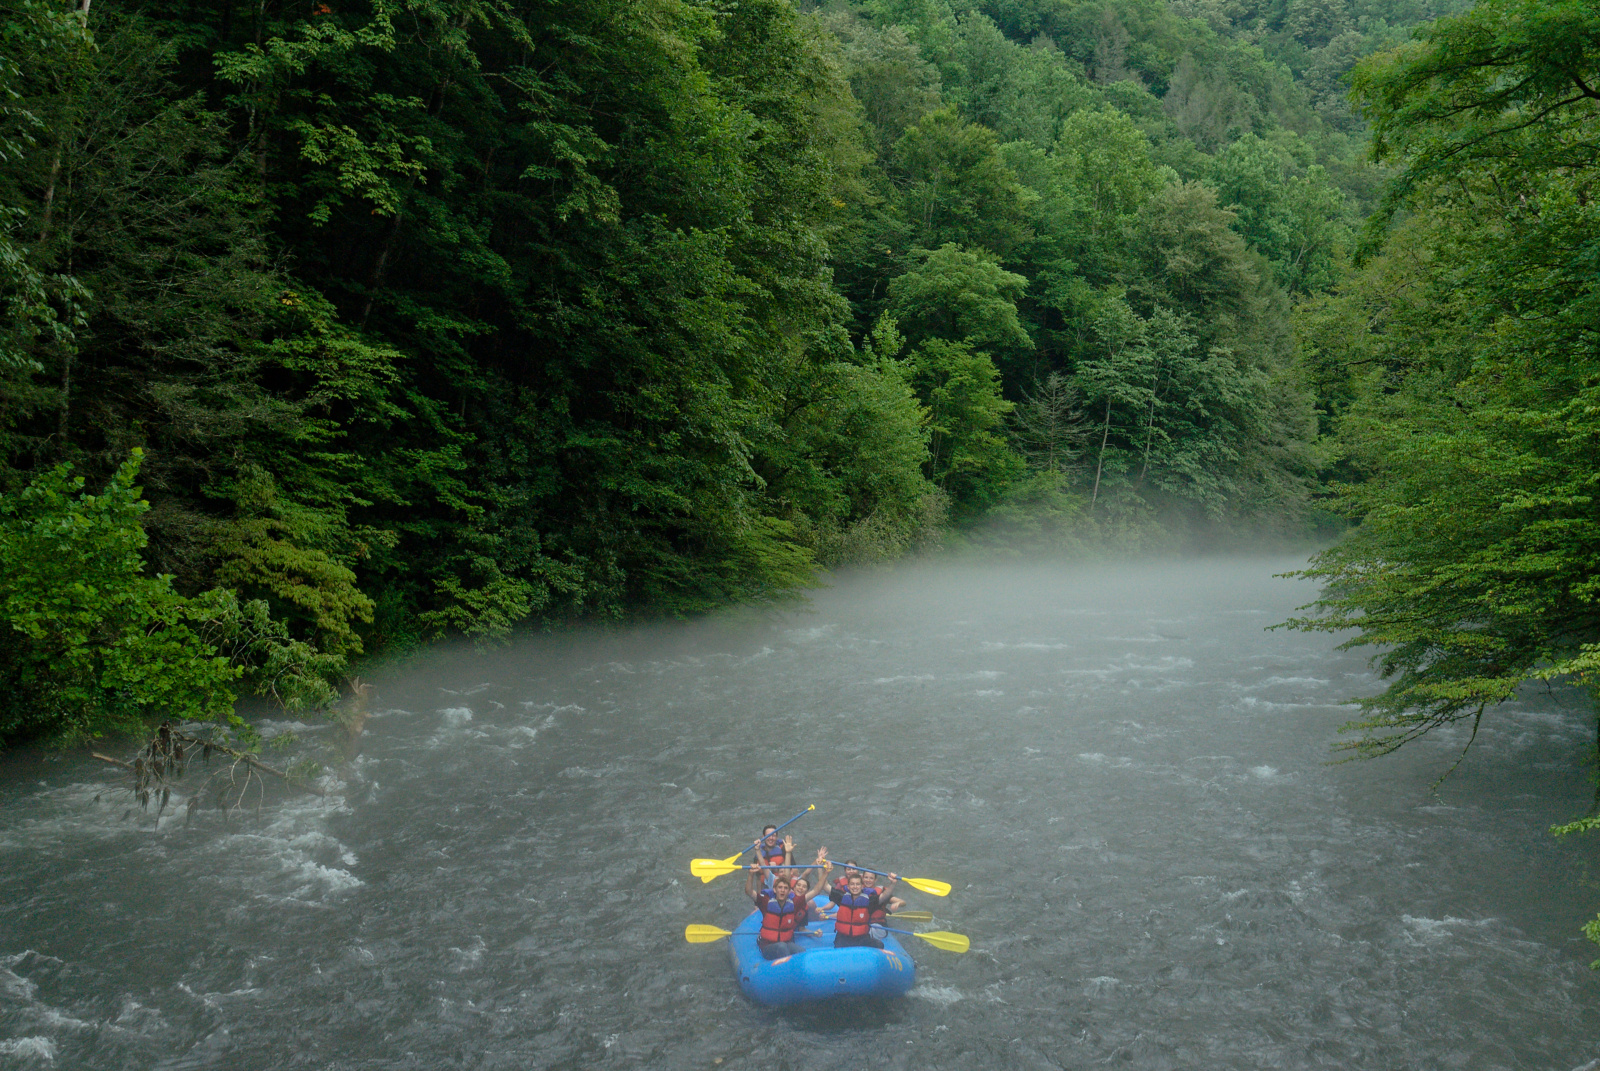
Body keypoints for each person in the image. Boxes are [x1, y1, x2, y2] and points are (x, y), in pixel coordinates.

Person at [745, 864, 802, 960]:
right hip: (768, 947)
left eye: (785, 888)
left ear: (789, 891)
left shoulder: (793, 904)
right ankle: (787, 971)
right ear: (774, 890)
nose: (782, 890)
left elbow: (815, 891)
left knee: (800, 951)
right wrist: (751, 874)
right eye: (780, 888)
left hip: (786, 943)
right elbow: (749, 892)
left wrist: (825, 873)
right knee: (782, 947)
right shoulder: (766, 902)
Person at [829, 870, 896, 949]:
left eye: (857, 884)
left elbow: (884, 896)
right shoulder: (842, 897)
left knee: (879, 945)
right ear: (848, 886)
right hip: (843, 937)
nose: (855, 887)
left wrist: (893, 883)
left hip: (861, 938)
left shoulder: (869, 901)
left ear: (861, 886)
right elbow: (825, 886)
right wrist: (824, 872)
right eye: (852, 884)